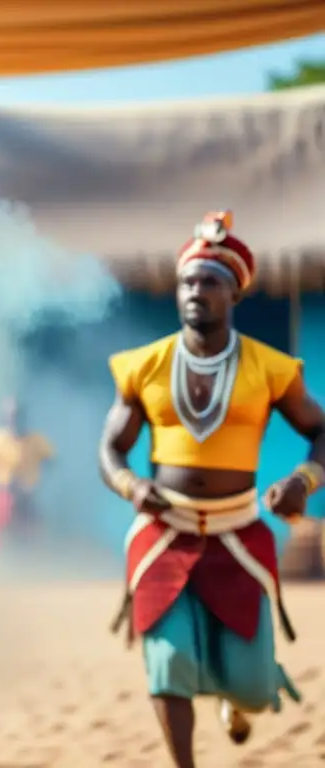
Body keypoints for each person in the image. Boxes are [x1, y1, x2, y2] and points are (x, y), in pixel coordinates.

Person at [99, 211, 324, 768]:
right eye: (187, 282)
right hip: (163, 535)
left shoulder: (272, 369)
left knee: (249, 684)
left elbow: (321, 431)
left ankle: (239, 701)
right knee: (168, 664)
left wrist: (303, 480)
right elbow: (110, 449)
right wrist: (130, 485)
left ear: (235, 293)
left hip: (238, 534)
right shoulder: (145, 366)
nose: (195, 291)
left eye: (210, 282)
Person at [0, 397, 54, 550]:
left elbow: (51, 461)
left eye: (18, 415)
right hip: (3, 496)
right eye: (11, 416)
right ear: (5, 418)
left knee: (32, 536)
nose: (14, 420)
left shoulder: (36, 440)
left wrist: (36, 482)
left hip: (27, 497)